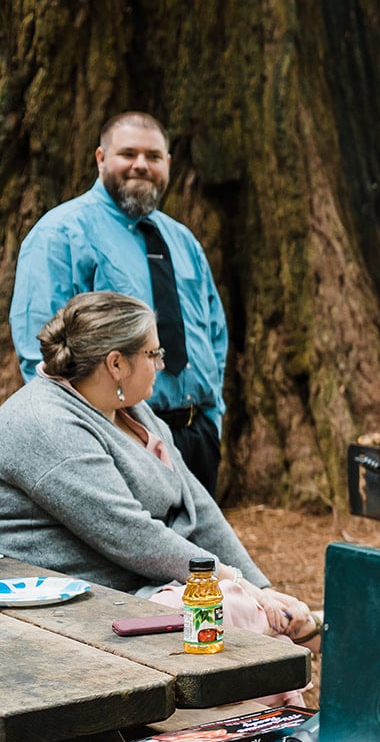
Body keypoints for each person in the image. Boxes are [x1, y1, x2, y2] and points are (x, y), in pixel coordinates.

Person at [0, 293, 319, 705]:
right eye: (153, 353)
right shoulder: (45, 424)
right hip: (68, 607)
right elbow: (129, 535)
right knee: (223, 611)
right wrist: (233, 582)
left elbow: (196, 504)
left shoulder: (128, 406)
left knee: (240, 605)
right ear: (116, 364)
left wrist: (261, 585)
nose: (162, 364)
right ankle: (236, 739)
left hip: (134, 585)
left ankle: (268, 736)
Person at [10, 111, 230, 496]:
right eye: (127, 154)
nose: (141, 165)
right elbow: (40, 354)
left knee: (200, 557)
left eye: (153, 156)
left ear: (167, 164)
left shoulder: (184, 242)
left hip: (198, 440)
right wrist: (93, 439)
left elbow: (214, 335)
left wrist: (212, 420)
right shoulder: (60, 234)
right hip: (117, 441)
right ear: (100, 158)